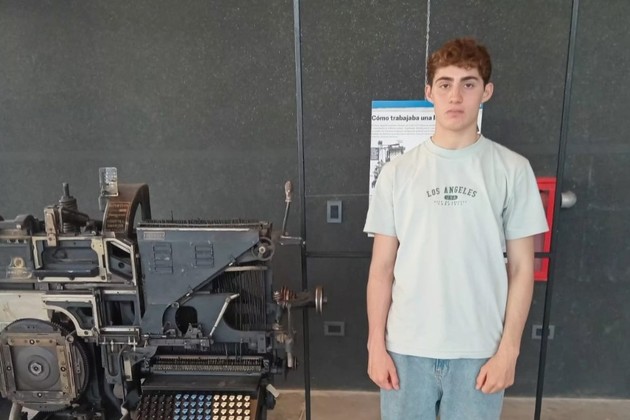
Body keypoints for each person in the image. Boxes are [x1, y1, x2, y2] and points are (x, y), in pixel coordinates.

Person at [364, 38, 549, 420]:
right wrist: (375, 346)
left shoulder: (512, 170)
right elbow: (381, 269)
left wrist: (509, 351)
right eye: (445, 84)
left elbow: (521, 269)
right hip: (405, 349)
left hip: (480, 351)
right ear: (429, 92)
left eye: (468, 83)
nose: (455, 95)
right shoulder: (397, 173)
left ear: (486, 92)